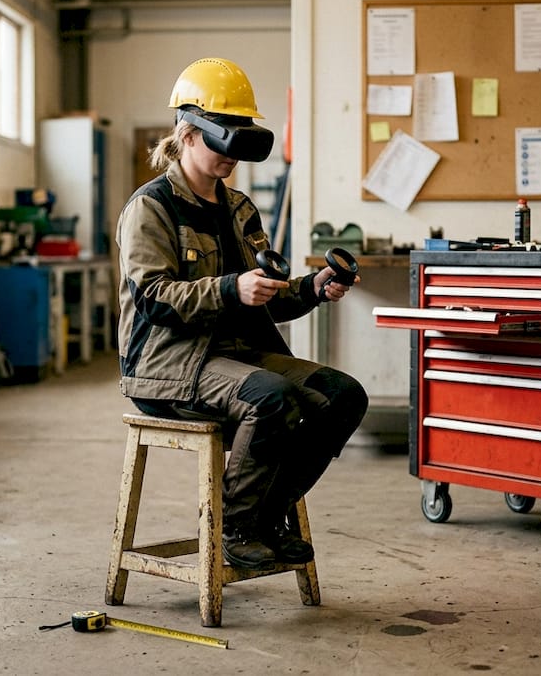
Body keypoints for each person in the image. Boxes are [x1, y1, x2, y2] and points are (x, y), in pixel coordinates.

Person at [115, 57, 369, 570]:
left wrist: (313, 287)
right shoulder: (152, 208)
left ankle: (266, 518)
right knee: (272, 399)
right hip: (168, 364)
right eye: (221, 140)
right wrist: (232, 289)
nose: (231, 155)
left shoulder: (239, 209)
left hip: (237, 354)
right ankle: (234, 526)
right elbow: (154, 299)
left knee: (343, 396)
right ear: (188, 134)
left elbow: (264, 295)